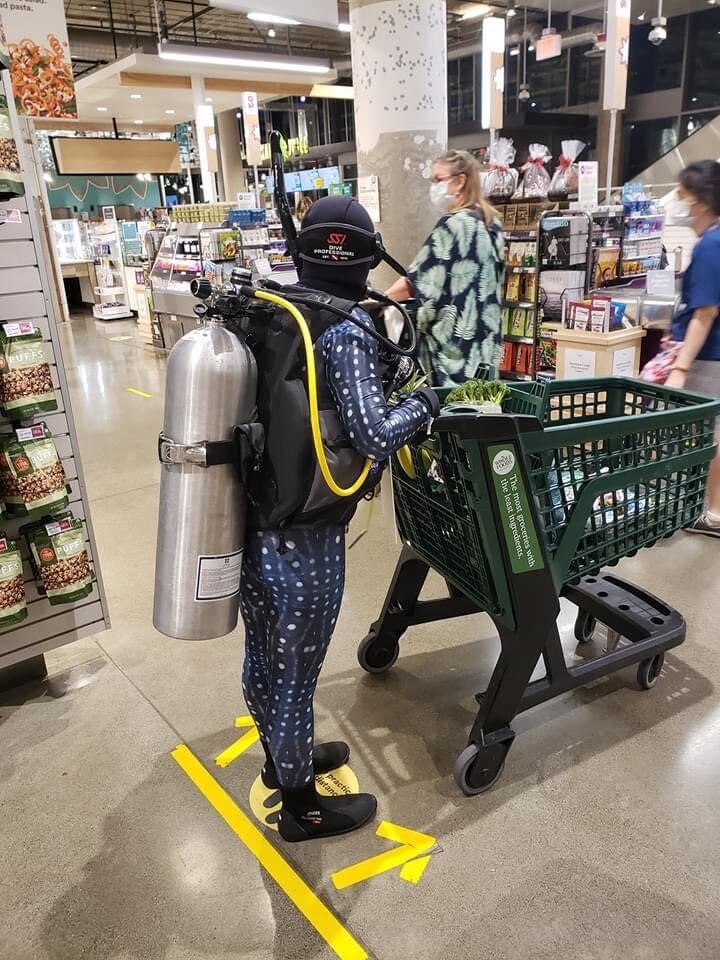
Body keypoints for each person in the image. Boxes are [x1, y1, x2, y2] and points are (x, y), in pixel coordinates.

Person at [239, 196, 439, 842]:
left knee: (264, 655)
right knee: (296, 674)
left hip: (256, 519)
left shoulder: (276, 308)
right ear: (365, 256)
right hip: (307, 536)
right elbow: (374, 433)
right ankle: (303, 807)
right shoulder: (347, 328)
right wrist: (428, 404)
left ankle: (282, 759)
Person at [385, 150, 505, 386]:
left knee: (452, 407)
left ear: (460, 181)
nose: (434, 186)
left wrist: (380, 299)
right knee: (482, 401)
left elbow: (417, 282)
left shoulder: (453, 225)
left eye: (438, 179)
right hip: (485, 345)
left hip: (454, 351)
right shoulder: (492, 225)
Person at [665, 160, 720, 537]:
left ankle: (714, 512)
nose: (677, 201)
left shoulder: (710, 245)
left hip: (710, 357)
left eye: (682, 194)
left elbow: (705, 312)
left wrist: (680, 367)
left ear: (700, 201)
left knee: (712, 434)